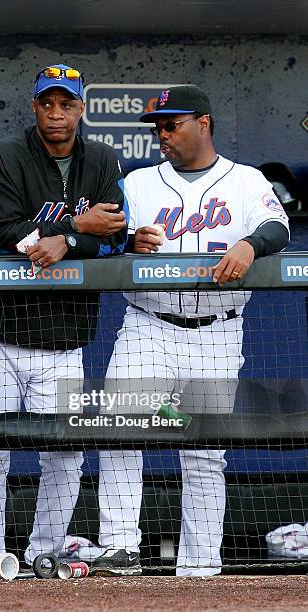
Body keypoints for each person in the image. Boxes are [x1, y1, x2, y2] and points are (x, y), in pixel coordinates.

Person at [91, 85, 290, 576]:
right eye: (157, 126)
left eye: (171, 124)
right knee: (120, 431)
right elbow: (106, 240)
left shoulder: (245, 181)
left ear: (203, 123)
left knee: (204, 453)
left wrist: (250, 243)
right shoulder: (138, 183)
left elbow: (278, 225)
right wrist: (126, 242)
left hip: (218, 333)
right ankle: (119, 551)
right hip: (148, 326)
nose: (162, 135)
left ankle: (200, 569)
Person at [0, 63, 128, 564]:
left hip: (66, 338)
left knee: (66, 452)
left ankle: (44, 554)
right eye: (47, 103)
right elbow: (2, 236)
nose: (56, 113)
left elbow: (118, 238)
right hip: (0, 332)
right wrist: (80, 225)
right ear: (34, 106)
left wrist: (66, 240)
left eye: (66, 104)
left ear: (82, 108)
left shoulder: (102, 160)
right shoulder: (3, 157)